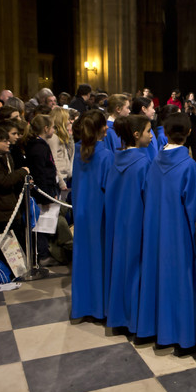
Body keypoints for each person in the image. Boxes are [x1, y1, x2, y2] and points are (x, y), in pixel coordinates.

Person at [137, 113, 196, 350]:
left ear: (163, 132)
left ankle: (155, 329)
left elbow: (146, 193)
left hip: (155, 231)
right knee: (180, 281)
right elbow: (194, 209)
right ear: (189, 133)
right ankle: (183, 337)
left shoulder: (154, 162)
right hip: (179, 234)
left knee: (158, 279)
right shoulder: (188, 166)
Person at [104, 115, 152, 332]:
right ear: (136, 134)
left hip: (117, 224)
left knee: (119, 268)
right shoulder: (143, 163)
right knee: (136, 270)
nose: (151, 136)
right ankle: (134, 320)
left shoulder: (115, 160)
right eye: (148, 131)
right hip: (137, 223)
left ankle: (117, 316)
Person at [70, 110, 113, 320]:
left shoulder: (78, 151)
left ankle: (82, 305)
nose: (108, 128)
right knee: (100, 259)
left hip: (81, 211)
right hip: (100, 214)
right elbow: (110, 189)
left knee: (83, 258)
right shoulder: (105, 155)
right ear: (100, 128)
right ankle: (100, 308)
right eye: (104, 125)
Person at [24, 115, 61, 265]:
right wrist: (45, 197)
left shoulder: (40, 144)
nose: (53, 130)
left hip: (47, 190)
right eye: (52, 127)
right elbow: (40, 173)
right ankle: (42, 255)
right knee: (42, 225)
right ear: (46, 129)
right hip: (42, 193)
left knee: (47, 224)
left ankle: (44, 253)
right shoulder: (38, 147)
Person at [131, 96, 159, 161]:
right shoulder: (138, 129)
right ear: (144, 109)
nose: (154, 111)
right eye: (152, 107)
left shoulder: (148, 127)